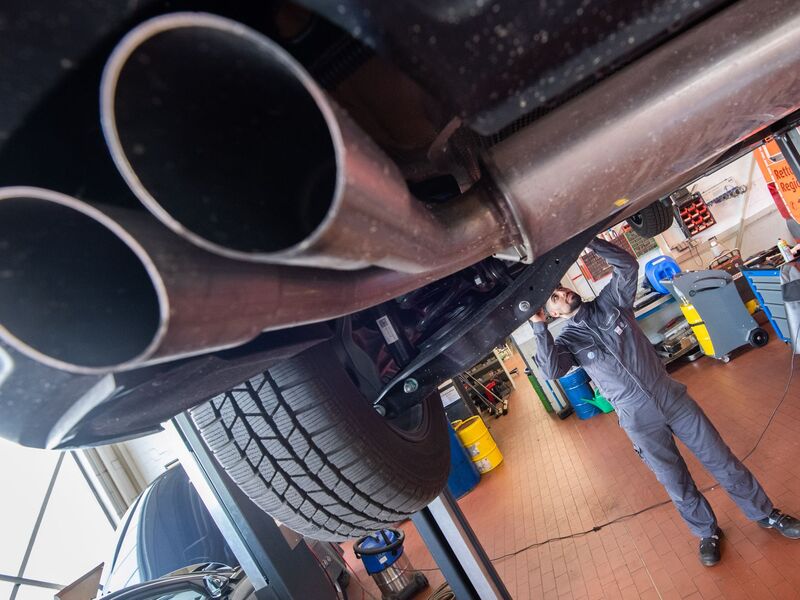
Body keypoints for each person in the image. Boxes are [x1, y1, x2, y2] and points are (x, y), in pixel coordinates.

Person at [531, 237, 800, 566]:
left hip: (671, 397)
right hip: (637, 420)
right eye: (555, 298)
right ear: (553, 311)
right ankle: (707, 532)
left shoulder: (611, 303)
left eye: (561, 288)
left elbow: (627, 266)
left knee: (721, 460)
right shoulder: (569, 340)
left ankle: (765, 514)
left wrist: (589, 240)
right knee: (676, 481)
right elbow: (549, 369)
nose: (563, 294)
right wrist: (537, 326)